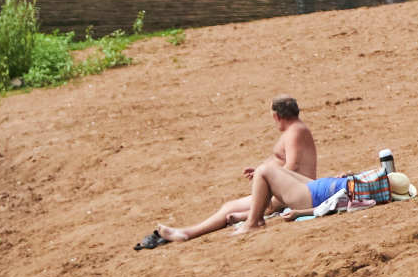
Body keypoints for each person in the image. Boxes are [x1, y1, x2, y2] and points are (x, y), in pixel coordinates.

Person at [135, 97, 329, 248]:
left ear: (276, 116)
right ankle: (195, 230)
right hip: (288, 188)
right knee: (231, 209)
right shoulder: (295, 130)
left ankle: (188, 233)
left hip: (293, 191)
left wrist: (271, 177)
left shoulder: (296, 131)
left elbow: (293, 167)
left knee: (230, 209)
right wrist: (265, 173)